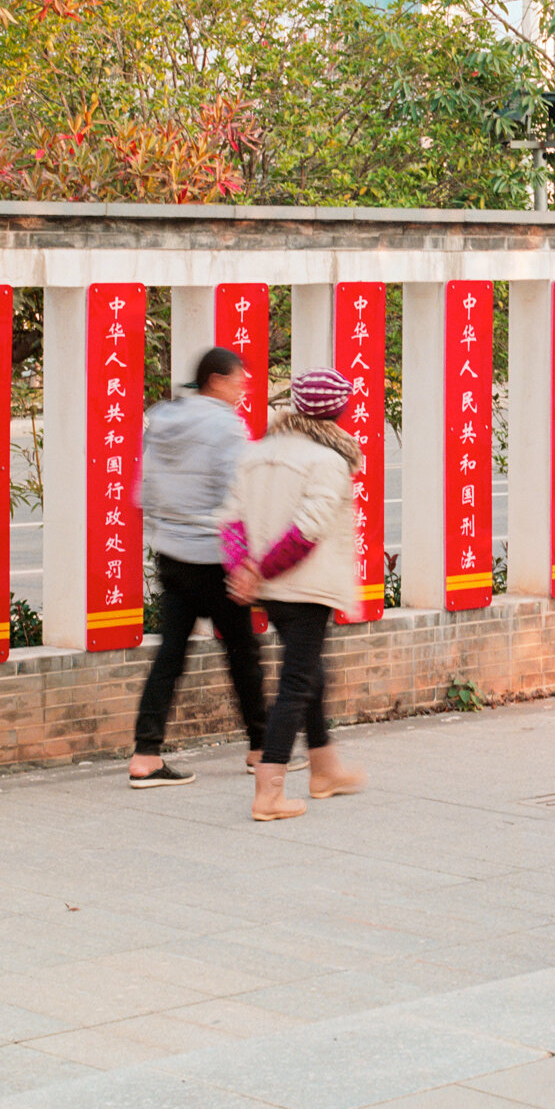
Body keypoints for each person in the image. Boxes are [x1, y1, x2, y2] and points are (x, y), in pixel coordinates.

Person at [221, 367, 368, 820]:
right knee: (298, 681)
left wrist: (243, 567)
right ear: (337, 411)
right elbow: (308, 529)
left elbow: (230, 519)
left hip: (268, 583)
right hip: (305, 584)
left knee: (310, 672)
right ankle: (270, 790)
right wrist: (259, 568)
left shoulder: (255, 453)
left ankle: (324, 769)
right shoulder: (329, 461)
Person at [127, 346, 273, 787]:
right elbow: (237, 496)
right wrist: (245, 560)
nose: (242, 390)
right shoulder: (226, 427)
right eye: (237, 382)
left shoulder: (164, 419)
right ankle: (262, 747)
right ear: (215, 381)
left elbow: (144, 491)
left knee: (170, 654)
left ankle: (145, 756)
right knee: (243, 653)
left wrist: (168, 527)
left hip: (172, 554)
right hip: (213, 558)